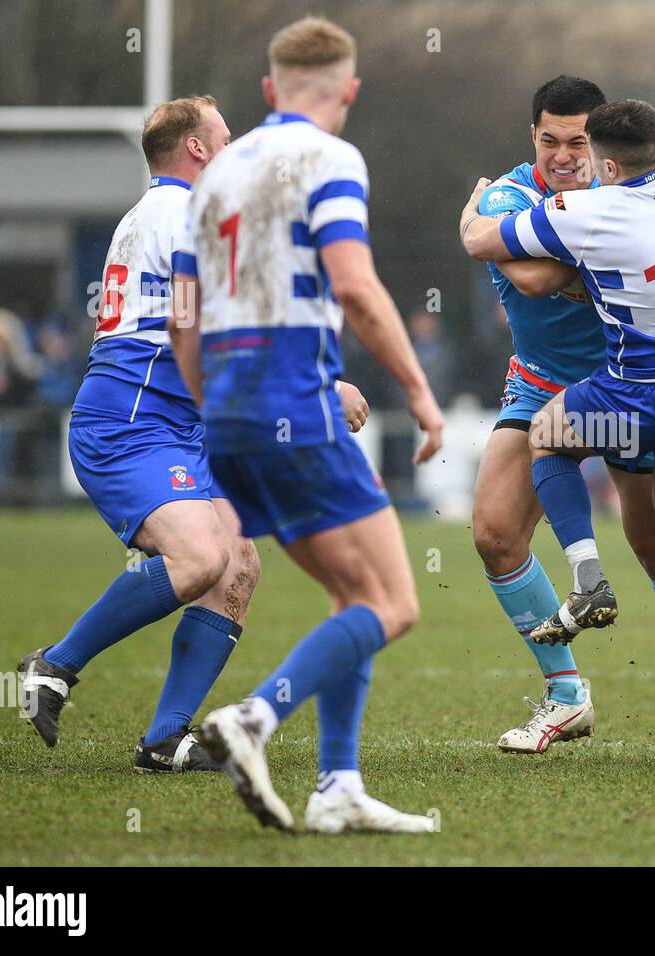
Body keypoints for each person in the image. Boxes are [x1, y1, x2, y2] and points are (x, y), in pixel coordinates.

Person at [171, 17, 444, 833]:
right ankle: (251, 720)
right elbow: (355, 287)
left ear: (267, 91)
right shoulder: (332, 158)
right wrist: (420, 392)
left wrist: (211, 405)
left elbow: (184, 317)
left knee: (348, 594)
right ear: (348, 92)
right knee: (394, 604)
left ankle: (338, 786)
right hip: (295, 401)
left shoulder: (215, 177)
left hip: (228, 414)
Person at [461, 99, 655, 728]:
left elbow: (531, 271)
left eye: (576, 143)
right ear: (531, 137)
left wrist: (469, 223)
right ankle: (567, 695)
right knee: (493, 534)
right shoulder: (516, 194)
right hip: (548, 382)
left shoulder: (594, 202)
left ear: (601, 151)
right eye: (549, 141)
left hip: (627, 384)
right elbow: (537, 280)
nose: (564, 157)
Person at [20, 96, 283, 772]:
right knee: (200, 558)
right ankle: (56, 665)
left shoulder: (164, 215)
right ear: (196, 149)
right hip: (133, 422)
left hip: (174, 422)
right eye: (225, 138)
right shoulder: (182, 213)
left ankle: (165, 740)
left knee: (237, 567)